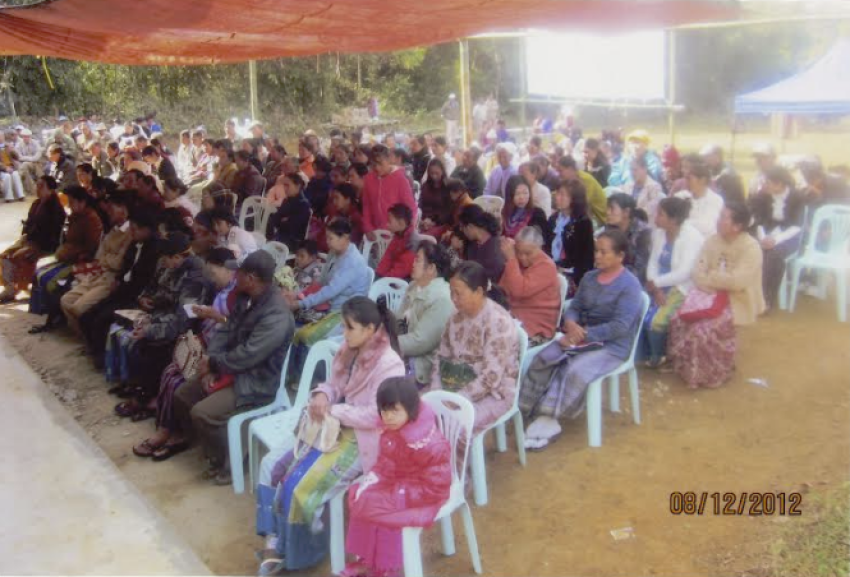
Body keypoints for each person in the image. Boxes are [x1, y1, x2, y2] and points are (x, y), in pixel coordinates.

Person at [256, 297, 405, 573]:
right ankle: (273, 537)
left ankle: (299, 552)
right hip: (331, 426)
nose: (344, 334)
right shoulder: (350, 349)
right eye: (344, 327)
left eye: (349, 328)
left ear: (371, 329)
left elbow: (377, 415)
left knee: (298, 486)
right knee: (274, 467)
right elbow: (334, 383)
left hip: (362, 440)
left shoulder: (389, 364)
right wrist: (324, 394)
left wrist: (335, 410)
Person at [168, 250, 293, 483]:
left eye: (240, 272)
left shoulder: (276, 315)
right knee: (182, 395)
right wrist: (211, 362)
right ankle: (210, 448)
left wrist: (215, 364)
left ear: (252, 279)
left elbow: (249, 356)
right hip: (231, 369)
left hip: (257, 380)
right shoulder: (246, 298)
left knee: (202, 413)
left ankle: (233, 461)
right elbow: (225, 332)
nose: (235, 275)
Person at [520, 230, 644, 450]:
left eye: (604, 252)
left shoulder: (630, 286)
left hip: (612, 346)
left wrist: (582, 335)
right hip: (581, 336)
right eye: (597, 250)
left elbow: (620, 327)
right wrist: (571, 324)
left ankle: (550, 419)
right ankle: (528, 409)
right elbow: (575, 307)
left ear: (620, 256)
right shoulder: (590, 277)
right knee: (544, 357)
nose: (597, 255)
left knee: (574, 369)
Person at [343, 376, 451, 577]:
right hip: (399, 485)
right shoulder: (392, 430)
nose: (388, 416)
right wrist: (374, 478)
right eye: (384, 410)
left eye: (395, 410)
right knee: (360, 496)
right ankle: (368, 560)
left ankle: (385, 568)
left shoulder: (429, 443)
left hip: (424, 496)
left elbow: (438, 487)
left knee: (382, 513)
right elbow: (386, 463)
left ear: (410, 410)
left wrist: (401, 494)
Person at [668, 203, 764, 389]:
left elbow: (738, 282)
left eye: (723, 217)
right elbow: (697, 272)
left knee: (702, 330)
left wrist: (710, 278)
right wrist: (712, 282)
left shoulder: (751, 248)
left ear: (737, 226)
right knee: (678, 320)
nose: (718, 220)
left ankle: (716, 372)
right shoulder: (712, 240)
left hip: (736, 299)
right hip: (706, 294)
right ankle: (688, 369)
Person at [430, 261, 519, 434]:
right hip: (453, 384)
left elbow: (491, 377)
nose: (453, 299)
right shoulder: (455, 317)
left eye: (459, 294)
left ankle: (455, 461)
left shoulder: (498, 322)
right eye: (451, 292)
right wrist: (437, 391)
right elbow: (441, 356)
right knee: (418, 415)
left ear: (478, 292)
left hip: (493, 392)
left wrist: (457, 399)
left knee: (455, 424)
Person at [78, 209, 161, 368]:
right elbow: (125, 266)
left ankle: (103, 358)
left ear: (147, 229)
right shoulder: (134, 243)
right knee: (86, 315)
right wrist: (118, 279)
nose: (131, 232)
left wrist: (138, 296)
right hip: (123, 290)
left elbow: (149, 280)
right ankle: (95, 350)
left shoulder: (155, 249)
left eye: (135, 229)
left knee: (102, 319)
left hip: (136, 296)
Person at [28, 187, 103, 333]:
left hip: (81, 261)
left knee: (51, 281)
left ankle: (54, 318)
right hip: (67, 257)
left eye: (72, 202)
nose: (70, 205)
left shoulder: (92, 219)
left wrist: (73, 254)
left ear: (82, 202)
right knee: (39, 273)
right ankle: (50, 315)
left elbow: (91, 248)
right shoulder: (74, 217)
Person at [60, 192, 134, 336]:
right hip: (97, 274)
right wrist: (108, 258)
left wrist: (106, 258)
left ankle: (87, 339)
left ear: (124, 210)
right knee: (65, 300)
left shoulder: (130, 233)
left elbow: (118, 263)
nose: (108, 213)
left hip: (110, 279)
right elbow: (99, 257)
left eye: (112, 209)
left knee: (78, 308)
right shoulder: (112, 230)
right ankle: (82, 335)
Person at [643, 197, 705, 369]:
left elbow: (684, 273)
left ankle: (659, 356)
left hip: (681, 286)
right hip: (657, 284)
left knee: (656, 321)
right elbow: (653, 262)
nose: (656, 218)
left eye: (660, 214)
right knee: (639, 310)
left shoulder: (692, 237)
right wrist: (654, 286)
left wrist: (656, 283)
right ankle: (643, 352)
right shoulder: (659, 233)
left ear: (674, 220)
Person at [397, 242, 454, 387]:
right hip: (402, 351)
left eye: (417, 260)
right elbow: (398, 321)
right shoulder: (413, 286)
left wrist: (386, 344)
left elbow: (420, 342)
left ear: (431, 268)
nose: (413, 263)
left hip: (421, 366)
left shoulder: (442, 298)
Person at [0, 176, 66, 302]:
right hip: (30, 241)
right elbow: (29, 223)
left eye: (41, 186)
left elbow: (52, 233)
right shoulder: (37, 203)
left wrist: (33, 246)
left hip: (44, 245)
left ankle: (17, 287)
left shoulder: (56, 208)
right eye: (37, 185)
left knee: (19, 256)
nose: (37, 189)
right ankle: (10, 288)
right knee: (5, 255)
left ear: (51, 190)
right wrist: (25, 236)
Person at [748, 166, 805, 311]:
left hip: (789, 237)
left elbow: (797, 226)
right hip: (766, 234)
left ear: (780, 184)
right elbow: (759, 220)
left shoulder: (796, 197)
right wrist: (763, 238)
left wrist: (776, 240)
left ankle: (767, 298)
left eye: (768, 182)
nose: (764, 185)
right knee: (753, 250)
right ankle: (750, 294)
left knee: (774, 255)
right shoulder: (762, 197)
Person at [499, 227, 561, 345]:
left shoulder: (547, 266)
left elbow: (518, 292)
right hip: (513, 318)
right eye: (518, 251)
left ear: (540, 248)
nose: (522, 257)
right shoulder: (517, 260)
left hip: (536, 329)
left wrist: (512, 259)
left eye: (528, 253)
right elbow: (503, 289)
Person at [543, 179, 595, 292]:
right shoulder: (554, 219)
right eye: (558, 193)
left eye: (563, 195)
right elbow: (546, 245)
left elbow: (585, 258)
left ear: (575, 199)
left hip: (571, 273)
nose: (557, 197)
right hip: (550, 267)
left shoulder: (583, 223)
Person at [361, 145, 417, 240]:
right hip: (376, 233)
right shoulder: (368, 179)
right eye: (373, 165)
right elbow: (367, 205)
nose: (377, 168)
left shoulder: (400, 179)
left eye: (380, 163)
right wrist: (368, 227)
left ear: (389, 159)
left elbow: (410, 208)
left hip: (397, 233)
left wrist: (406, 232)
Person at [603, 193, 652, 283]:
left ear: (626, 212)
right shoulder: (609, 228)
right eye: (607, 208)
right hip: (611, 276)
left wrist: (616, 281)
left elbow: (640, 268)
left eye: (612, 209)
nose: (608, 212)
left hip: (632, 282)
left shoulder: (643, 232)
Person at [675, 162, 725, 238]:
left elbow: (708, 226)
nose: (686, 182)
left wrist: (681, 223)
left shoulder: (716, 200)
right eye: (685, 178)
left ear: (702, 180)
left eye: (689, 179)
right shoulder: (680, 197)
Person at [459, 205, 505, 283]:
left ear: (470, 226)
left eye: (462, 227)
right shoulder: (473, 243)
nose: (460, 230)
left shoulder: (494, 252)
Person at [557, 155, 606, 225]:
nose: (558, 174)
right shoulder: (569, 181)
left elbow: (584, 204)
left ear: (570, 169)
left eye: (560, 171)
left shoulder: (585, 179)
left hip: (599, 218)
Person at [267, 173, 311, 251]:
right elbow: (275, 220)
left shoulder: (303, 205)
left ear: (297, 186)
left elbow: (292, 227)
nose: (285, 188)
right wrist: (283, 220)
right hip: (281, 236)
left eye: (288, 185)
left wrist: (283, 221)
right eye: (284, 185)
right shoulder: (287, 200)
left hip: (292, 241)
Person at [376, 204, 418, 279]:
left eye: (389, 221)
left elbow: (402, 270)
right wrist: (378, 274)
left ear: (401, 223)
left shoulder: (412, 242)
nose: (387, 224)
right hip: (391, 275)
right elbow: (388, 256)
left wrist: (383, 280)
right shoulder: (398, 234)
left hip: (402, 281)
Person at [501, 175, 548, 239]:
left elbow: (538, 241)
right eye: (517, 193)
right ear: (510, 195)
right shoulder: (506, 212)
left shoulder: (537, 214)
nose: (521, 197)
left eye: (525, 193)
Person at [624, 157, 665, 227]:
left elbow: (650, 211)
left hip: (646, 225)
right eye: (631, 170)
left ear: (644, 169)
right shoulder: (627, 186)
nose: (632, 173)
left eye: (635, 170)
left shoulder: (654, 187)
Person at [418, 158, 451, 237]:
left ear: (442, 171)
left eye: (437, 173)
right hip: (424, 220)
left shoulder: (447, 187)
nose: (434, 176)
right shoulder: (425, 186)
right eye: (432, 173)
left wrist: (434, 222)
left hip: (440, 223)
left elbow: (447, 210)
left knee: (425, 237)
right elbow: (420, 204)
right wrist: (423, 220)